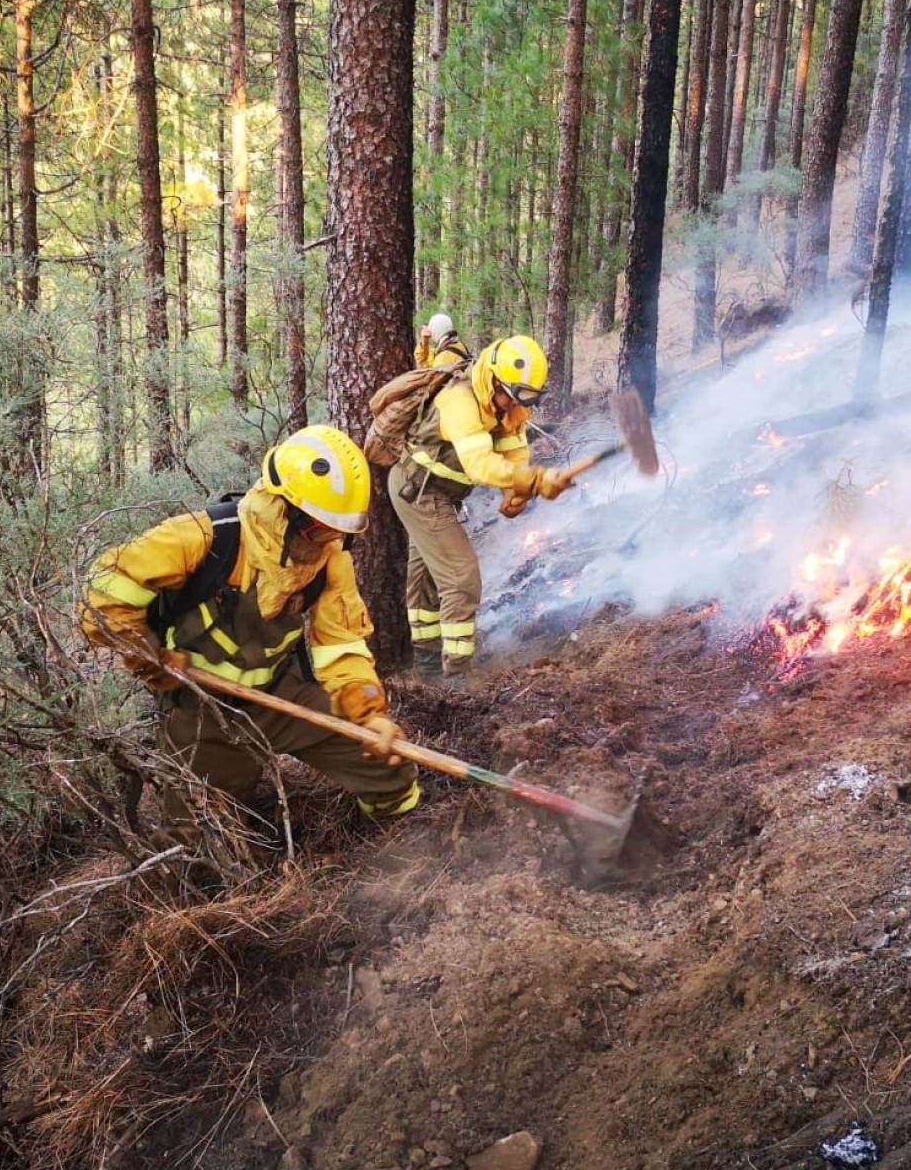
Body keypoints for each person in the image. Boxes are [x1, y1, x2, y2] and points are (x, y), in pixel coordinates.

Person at [82, 425, 419, 838]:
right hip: (203, 707)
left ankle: (393, 841)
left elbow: (341, 644)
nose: (329, 541)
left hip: (281, 694)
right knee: (200, 840)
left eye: (340, 532)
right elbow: (102, 593)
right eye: (319, 529)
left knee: (389, 766)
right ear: (284, 509)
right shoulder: (204, 538)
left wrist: (369, 714)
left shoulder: (330, 559)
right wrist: (146, 655)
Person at [390, 334, 572, 678]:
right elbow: (479, 465)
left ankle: (427, 668)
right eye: (510, 396)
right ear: (493, 378)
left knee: (427, 579)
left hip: (442, 493)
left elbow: (514, 451)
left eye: (523, 398)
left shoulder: (508, 401)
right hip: (418, 492)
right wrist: (532, 480)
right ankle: (456, 678)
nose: (512, 405)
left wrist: (513, 493)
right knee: (461, 577)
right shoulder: (460, 401)